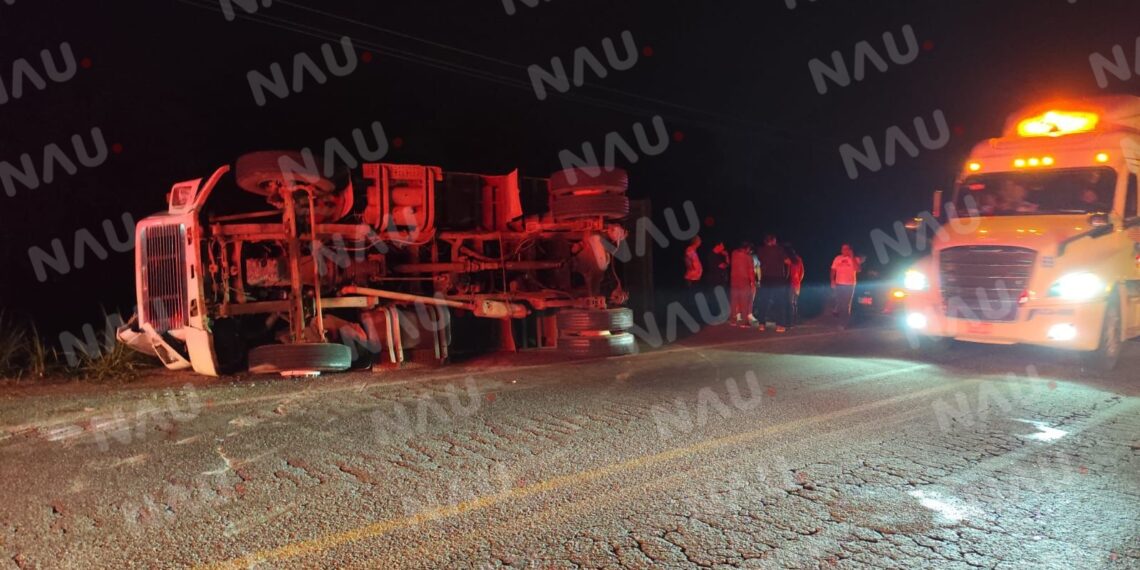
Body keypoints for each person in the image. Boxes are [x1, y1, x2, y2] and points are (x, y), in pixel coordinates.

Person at [754, 235, 791, 332]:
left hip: (765, 278)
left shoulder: (760, 250)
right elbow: (788, 261)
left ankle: (761, 324)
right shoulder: (779, 249)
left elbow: (760, 259)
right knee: (779, 302)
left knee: (764, 301)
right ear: (773, 241)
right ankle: (780, 325)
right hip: (778, 279)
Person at [728, 241, 758, 327]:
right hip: (744, 281)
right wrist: (753, 282)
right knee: (745, 301)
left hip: (733, 280)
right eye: (749, 249)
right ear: (747, 248)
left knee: (734, 300)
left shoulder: (734, 253)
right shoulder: (748, 257)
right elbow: (751, 271)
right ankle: (744, 322)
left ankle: (733, 320)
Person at [830, 244, 861, 325]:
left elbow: (858, 269)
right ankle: (839, 316)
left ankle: (843, 323)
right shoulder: (837, 258)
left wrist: (852, 257)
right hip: (839, 284)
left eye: (846, 249)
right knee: (840, 302)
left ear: (850, 250)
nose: (844, 250)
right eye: (843, 249)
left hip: (849, 284)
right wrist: (832, 280)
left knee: (846, 304)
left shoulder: (855, 259)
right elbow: (833, 270)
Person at [787, 247, 805, 326]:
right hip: (797, 283)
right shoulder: (799, 259)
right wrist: (798, 280)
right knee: (795, 302)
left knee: (790, 302)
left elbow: (787, 273)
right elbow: (802, 272)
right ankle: (795, 319)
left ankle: (790, 319)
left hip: (790, 283)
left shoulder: (788, 260)